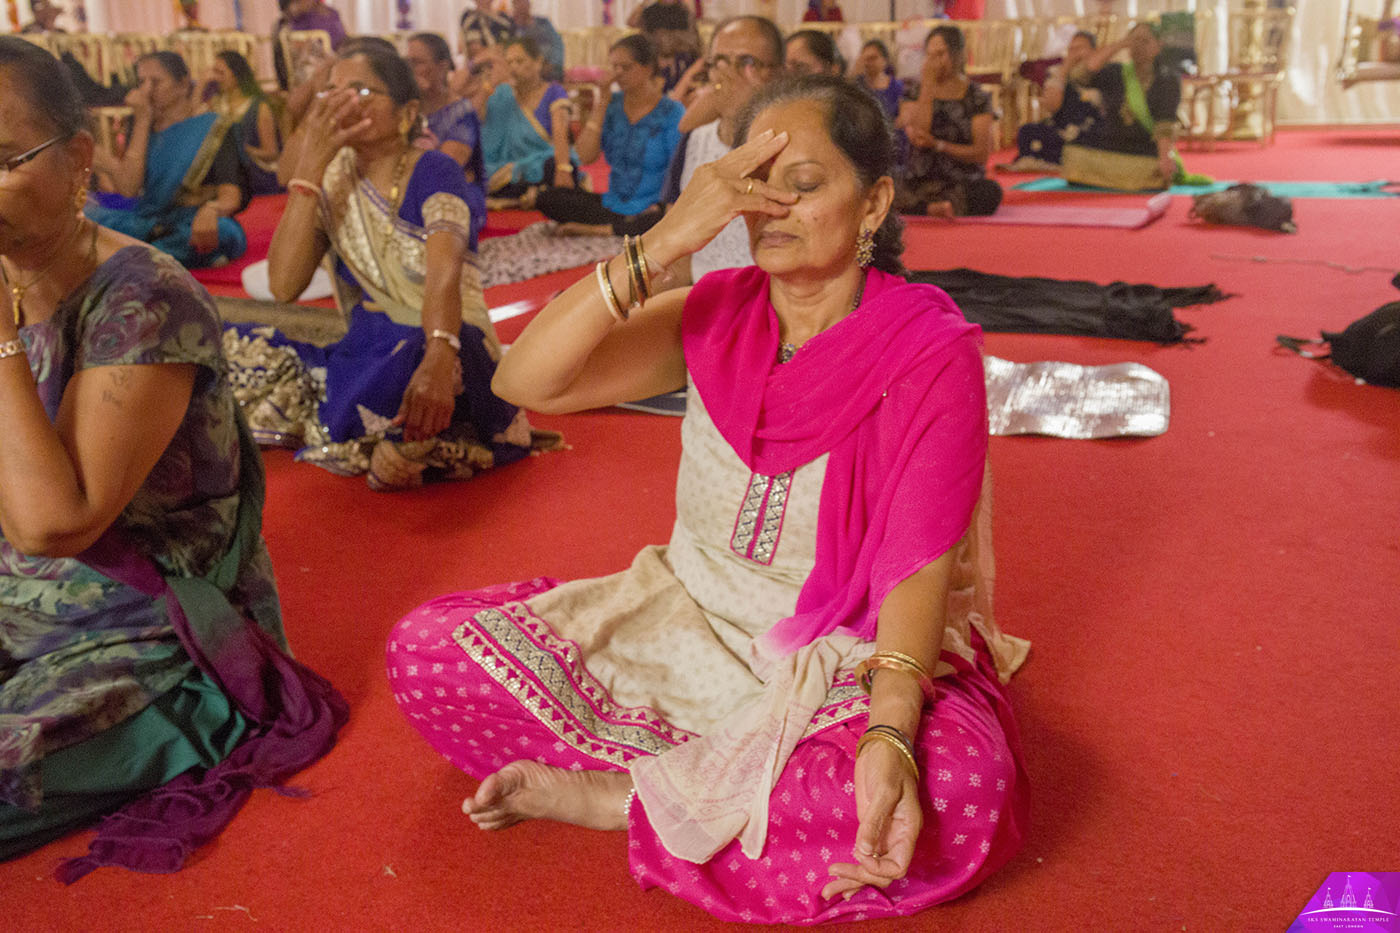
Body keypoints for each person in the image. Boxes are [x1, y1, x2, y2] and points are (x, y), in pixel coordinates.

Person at [387, 74, 1029, 925]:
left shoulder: (926, 350)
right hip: (683, 619)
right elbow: (523, 380)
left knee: (957, 786)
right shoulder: (715, 313)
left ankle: (620, 795)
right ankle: (711, 791)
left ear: (873, 203)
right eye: (753, 185)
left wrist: (888, 732)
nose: (773, 208)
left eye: (804, 184)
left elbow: (917, 565)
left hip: (839, 657)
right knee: (426, 652)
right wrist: (664, 240)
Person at [0, 36, 344, 872]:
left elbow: (53, 525)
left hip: (140, 627)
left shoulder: (145, 297)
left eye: (4, 159)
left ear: (80, 158)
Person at [225, 43, 549, 490]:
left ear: (407, 111)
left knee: (419, 361)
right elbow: (283, 285)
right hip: (368, 345)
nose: (341, 104)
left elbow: (445, 276)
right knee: (232, 345)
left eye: (360, 91)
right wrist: (310, 171)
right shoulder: (335, 177)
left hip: (444, 338)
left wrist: (439, 353)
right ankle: (396, 440)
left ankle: (399, 435)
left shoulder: (434, 169)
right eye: (332, 92)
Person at [86, 51, 248, 268]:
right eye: (141, 82)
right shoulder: (140, 124)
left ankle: (133, 253)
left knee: (224, 231)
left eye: (156, 82)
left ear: (183, 85)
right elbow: (129, 189)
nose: (146, 90)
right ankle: (149, 252)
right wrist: (143, 120)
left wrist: (211, 210)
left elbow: (231, 195)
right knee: (86, 217)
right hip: (147, 222)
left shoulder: (212, 127)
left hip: (191, 220)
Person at [663, 15, 785, 285]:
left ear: (777, 73)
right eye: (720, 61)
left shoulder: (787, 145)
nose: (728, 74)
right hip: (698, 289)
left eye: (746, 62)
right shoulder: (696, 139)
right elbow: (675, 241)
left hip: (766, 292)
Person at [535, 35, 683, 237]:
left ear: (648, 68)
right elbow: (584, 156)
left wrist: (664, 204)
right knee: (547, 197)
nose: (618, 74)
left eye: (626, 67)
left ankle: (600, 230)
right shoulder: (612, 105)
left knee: (666, 217)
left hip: (651, 207)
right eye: (614, 67)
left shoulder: (672, 112)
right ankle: (620, 227)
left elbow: (679, 170)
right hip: (611, 205)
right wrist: (602, 102)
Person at [894, 25, 1002, 218]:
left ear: (958, 55)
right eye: (930, 55)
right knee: (884, 182)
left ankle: (931, 208)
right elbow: (919, 134)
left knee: (989, 192)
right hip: (920, 179)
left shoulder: (977, 97)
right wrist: (927, 86)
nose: (934, 61)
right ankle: (931, 209)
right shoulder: (914, 92)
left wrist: (939, 145)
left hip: (961, 180)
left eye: (940, 54)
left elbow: (981, 154)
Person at [1065, 22, 1188, 189]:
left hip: (1144, 146)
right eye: (1134, 40)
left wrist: (1165, 158)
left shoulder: (1167, 79)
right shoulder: (1115, 72)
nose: (1138, 46)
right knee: (1074, 151)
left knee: (1152, 168)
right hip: (1112, 142)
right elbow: (1080, 76)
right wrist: (1119, 45)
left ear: (1158, 46)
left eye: (1145, 41)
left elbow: (1165, 123)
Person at [482, 37, 578, 206]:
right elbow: (478, 118)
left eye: (519, 61)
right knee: (479, 173)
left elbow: (560, 131)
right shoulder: (503, 94)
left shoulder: (553, 91)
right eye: (509, 62)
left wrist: (563, 168)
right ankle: (533, 196)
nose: (513, 67)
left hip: (542, 162)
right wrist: (490, 84)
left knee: (558, 166)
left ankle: (523, 197)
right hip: (509, 167)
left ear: (538, 62)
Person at [406, 31, 487, 231]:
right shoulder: (405, 108)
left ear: (442, 67)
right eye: (407, 62)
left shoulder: (461, 112)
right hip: (411, 189)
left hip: (454, 193)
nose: (410, 69)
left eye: (417, 63)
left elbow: (446, 167)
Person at [1002, 30, 1102, 173]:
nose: (1075, 53)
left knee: (1086, 139)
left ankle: (1047, 160)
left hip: (1087, 129)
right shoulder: (1059, 72)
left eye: (1080, 48)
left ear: (1093, 50)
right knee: (1027, 131)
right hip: (1061, 128)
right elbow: (1051, 106)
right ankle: (1039, 160)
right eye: (1071, 49)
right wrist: (1064, 70)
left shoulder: (1103, 73)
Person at [208, 50, 283, 196]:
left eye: (221, 73)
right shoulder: (216, 104)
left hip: (253, 177)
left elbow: (272, 152)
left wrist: (242, 150)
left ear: (236, 75)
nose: (216, 78)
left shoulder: (259, 107)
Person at [508, 0, 564, 82]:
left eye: (522, 2)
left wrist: (552, 63)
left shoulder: (543, 23)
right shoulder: (512, 27)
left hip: (550, 68)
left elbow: (558, 44)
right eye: (516, 3)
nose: (520, 6)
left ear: (529, 4)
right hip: (526, 69)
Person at [854, 39, 904, 119]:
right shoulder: (856, 86)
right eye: (865, 59)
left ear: (885, 60)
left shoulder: (897, 86)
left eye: (873, 58)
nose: (868, 63)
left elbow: (901, 118)